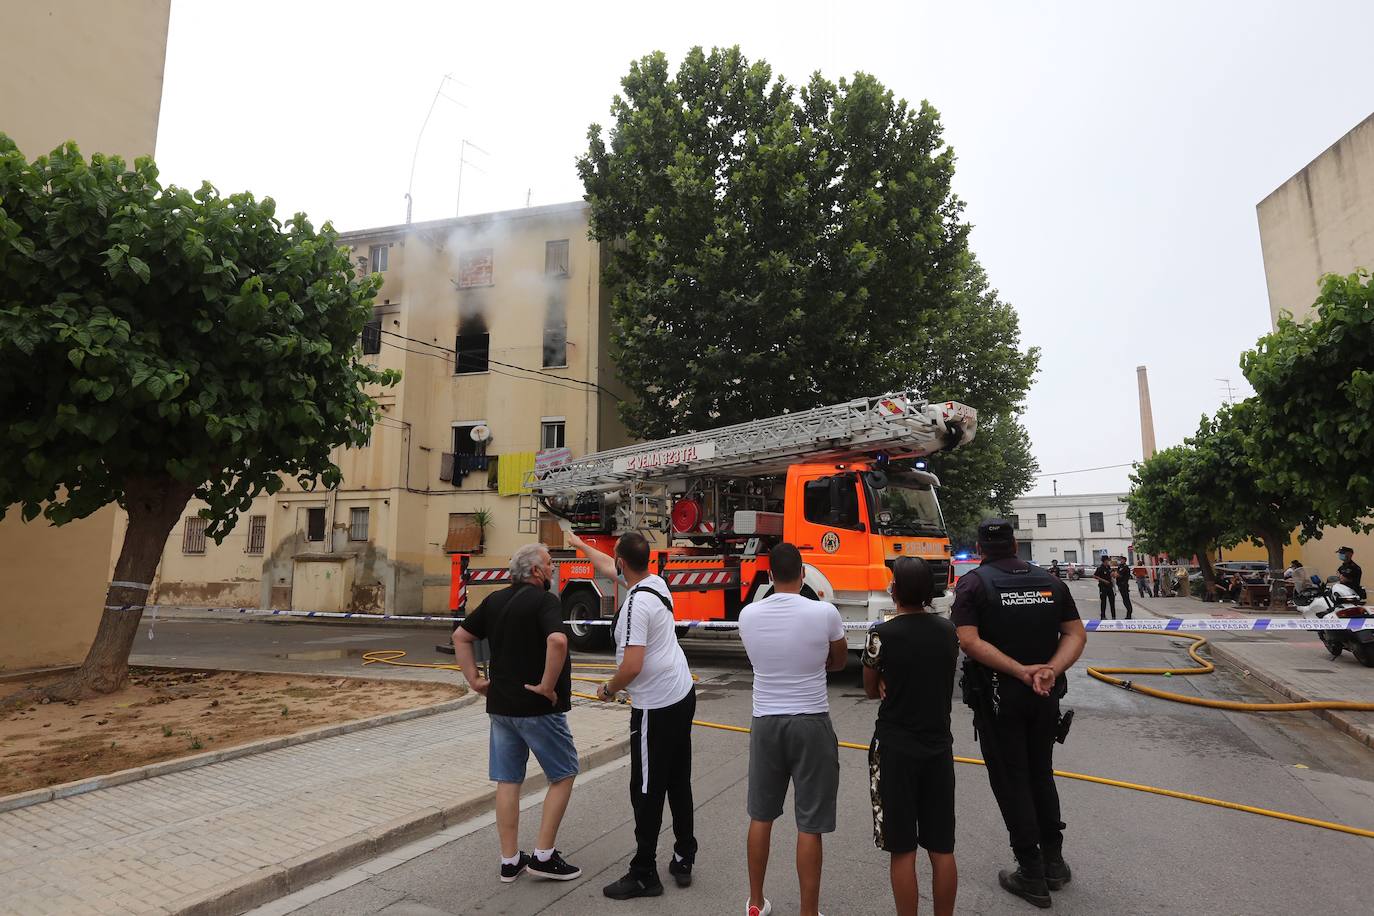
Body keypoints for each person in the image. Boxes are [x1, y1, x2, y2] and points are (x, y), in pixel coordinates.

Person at [952, 519, 1087, 909]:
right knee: (1040, 772)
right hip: (1045, 693)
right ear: (1015, 544)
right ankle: (1054, 862)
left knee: (1012, 779)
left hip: (1000, 696)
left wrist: (1018, 671)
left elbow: (968, 639)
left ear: (980, 547)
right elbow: (1075, 633)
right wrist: (1049, 670)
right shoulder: (1050, 583)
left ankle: (1031, 872)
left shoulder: (973, 585)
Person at [565, 529, 698, 900]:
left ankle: (643, 872)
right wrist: (580, 546)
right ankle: (684, 855)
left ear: (626, 563)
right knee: (677, 779)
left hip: (656, 707)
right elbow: (609, 566)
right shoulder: (656, 583)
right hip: (681, 694)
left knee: (646, 789)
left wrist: (608, 689)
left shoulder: (636, 606)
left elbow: (633, 665)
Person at [452, 543, 582, 884]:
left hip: (501, 707)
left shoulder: (495, 600)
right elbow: (557, 641)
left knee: (508, 780)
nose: (553, 569)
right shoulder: (545, 601)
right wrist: (547, 686)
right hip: (537, 709)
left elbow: (460, 635)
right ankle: (544, 855)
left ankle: (510, 860)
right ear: (536, 571)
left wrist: (474, 679)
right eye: (551, 564)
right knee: (564, 773)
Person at [738, 543, 847, 916]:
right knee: (810, 823)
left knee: (761, 815)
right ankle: (808, 911)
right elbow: (839, 659)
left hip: (766, 721)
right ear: (803, 575)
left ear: (769, 576)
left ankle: (755, 902)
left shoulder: (748, 615)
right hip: (811, 720)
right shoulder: (824, 612)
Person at [862, 557, 959, 916]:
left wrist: (887, 678)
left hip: (895, 749)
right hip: (938, 746)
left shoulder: (880, 635)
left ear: (896, 591)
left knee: (903, 850)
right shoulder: (948, 631)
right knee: (941, 848)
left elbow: (871, 690)